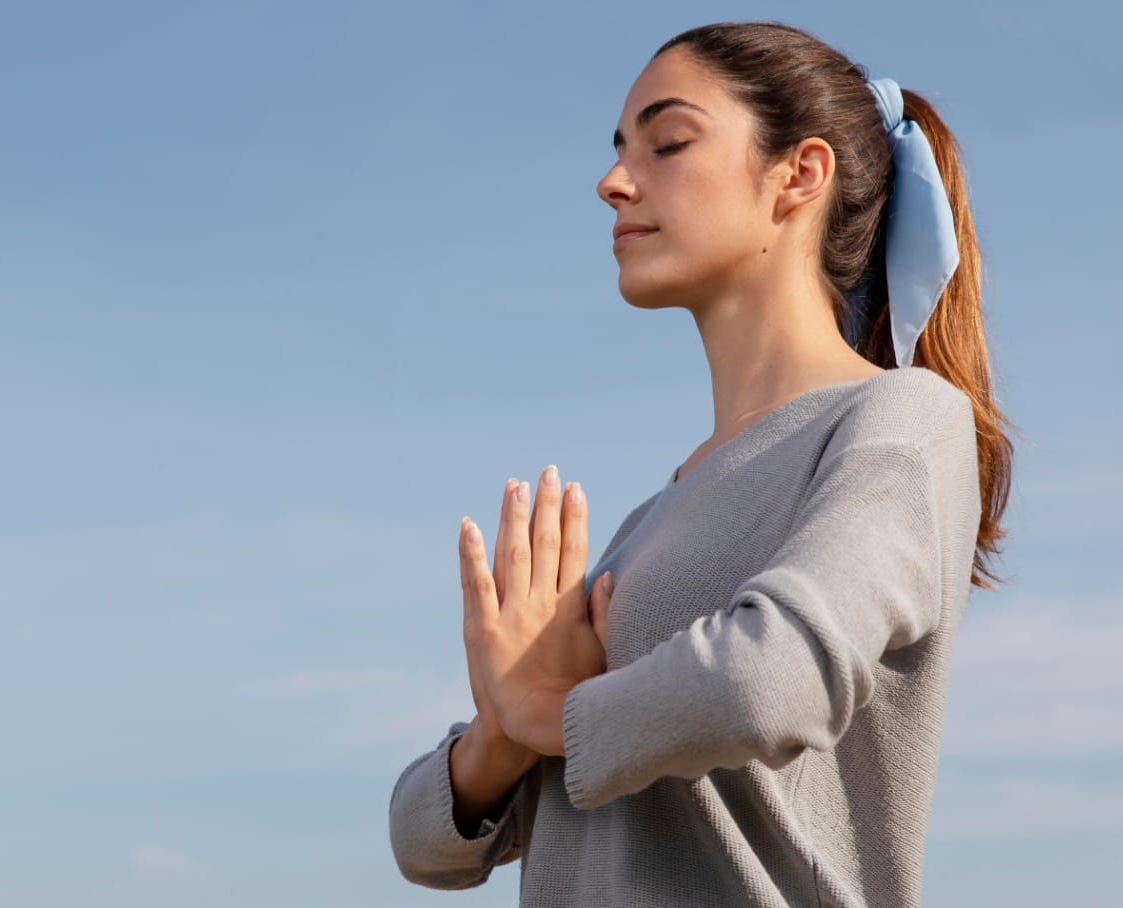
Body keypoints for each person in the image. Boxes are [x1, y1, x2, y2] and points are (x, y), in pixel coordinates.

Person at [388, 20, 1015, 908]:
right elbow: (423, 841)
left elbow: (770, 680)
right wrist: (502, 733)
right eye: (619, 150)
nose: (614, 182)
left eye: (668, 142)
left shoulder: (901, 421)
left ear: (799, 175)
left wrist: (553, 717)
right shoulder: (652, 523)